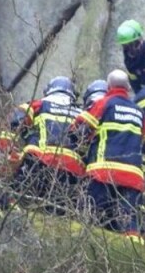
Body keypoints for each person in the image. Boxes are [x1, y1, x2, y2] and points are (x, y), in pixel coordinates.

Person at [70, 70, 145, 244]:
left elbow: (78, 129)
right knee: (130, 223)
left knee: (90, 215)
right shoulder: (139, 112)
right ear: (128, 88)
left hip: (103, 172)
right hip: (133, 175)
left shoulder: (102, 104)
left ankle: (87, 249)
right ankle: (134, 257)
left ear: (108, 87)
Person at [6, 76, 85, 214]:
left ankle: (11, 202)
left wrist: (26, 135)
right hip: (72, 170)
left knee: (30, 152)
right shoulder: (81, 113)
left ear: (49, 90)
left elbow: (16, 121)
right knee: (58, 206)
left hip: (43, 162)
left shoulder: (40, 104)